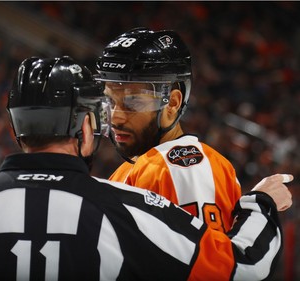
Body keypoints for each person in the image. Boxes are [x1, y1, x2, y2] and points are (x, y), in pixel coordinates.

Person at [0, 56, 293, 281]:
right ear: (87, 127)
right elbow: (245, 265)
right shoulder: (127, 209)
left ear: (15, 129)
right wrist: (259, 203)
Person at [96, 27, 241, 232]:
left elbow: (210, 263)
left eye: (134, 102)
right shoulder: (132, 168)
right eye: (110, 100)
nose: (116, 116)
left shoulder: (180, 169)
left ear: (172, 103)